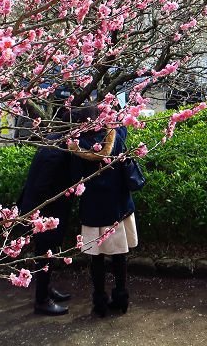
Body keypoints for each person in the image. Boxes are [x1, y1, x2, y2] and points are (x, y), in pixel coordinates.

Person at [70, 106, 135, 318]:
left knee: (96, 259)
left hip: (92, 208)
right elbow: (123, 125)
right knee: (119, 255)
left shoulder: (75, 145)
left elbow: (75, 176)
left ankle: (99, 301)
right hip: (117, 205)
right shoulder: (118, 133)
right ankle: (121, 297)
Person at [18, 109, 76, 316]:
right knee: (44, 254)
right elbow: (43, 186)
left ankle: (47, 289)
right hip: (44, 213)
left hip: (42, 210)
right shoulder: (56, 150)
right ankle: (42, 300)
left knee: (47, 255)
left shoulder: (54, 140)